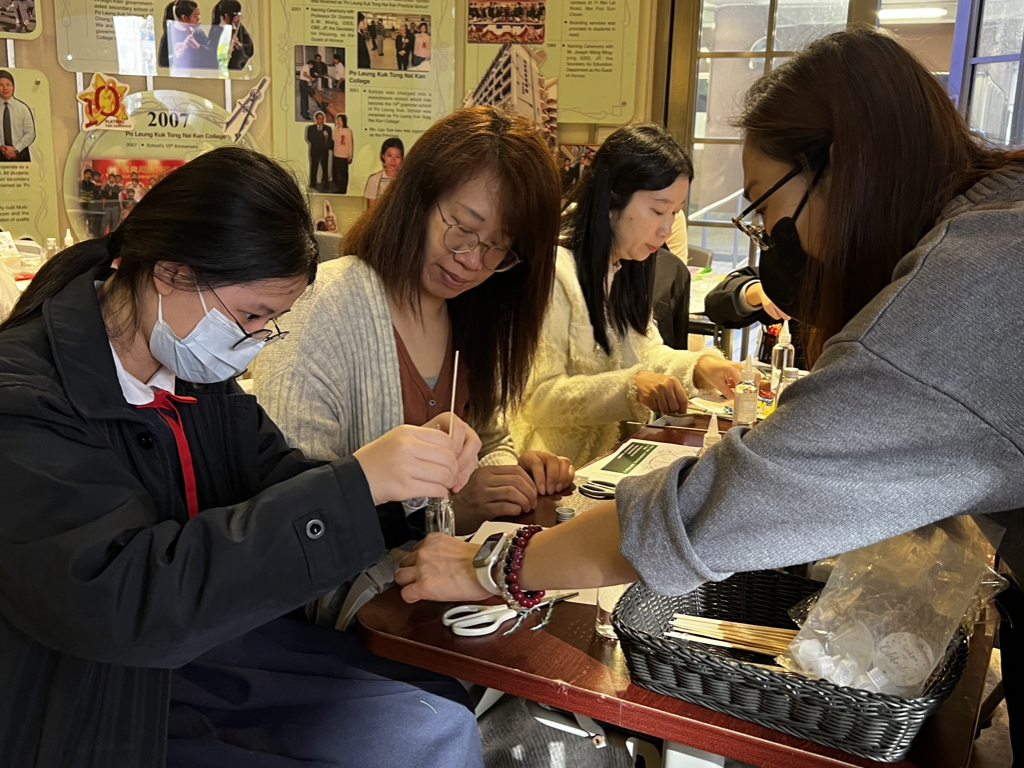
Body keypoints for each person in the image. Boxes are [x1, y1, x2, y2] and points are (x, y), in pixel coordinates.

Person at [397, 27, 1024, 754]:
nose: (766, 238)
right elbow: (538, 403)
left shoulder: (969, 281)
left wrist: (501, 566)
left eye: (764, 206)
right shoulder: (991, 231)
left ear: (841, 167)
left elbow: (738, 496)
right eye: (658, 210)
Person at [0, 146, 486, 767]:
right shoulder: (24, 399)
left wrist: (403, 484)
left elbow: (273, 482)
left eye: (270, 322)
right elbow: (125, 598)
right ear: (170, 272)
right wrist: (356, 485)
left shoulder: (195, 382)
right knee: (422, 736)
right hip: (95, 697)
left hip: (206, 655)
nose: (253, 342)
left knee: (439, 700)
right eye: (252, 315)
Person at [253, 106, 573, 626]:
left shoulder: (472, 316)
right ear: (417, 197)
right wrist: (448, 512)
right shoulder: (323, 307)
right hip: (354, 623)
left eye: (500, 249)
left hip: (448, 602)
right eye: (462, 228)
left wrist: (508, 478)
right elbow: (292, 517)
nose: (473, 260)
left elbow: (491, 437)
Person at [509, 124, 743, 468]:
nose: (666, 229)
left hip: (605, 464)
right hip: (549, 469)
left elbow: (647, 353)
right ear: (611, 201)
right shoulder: (554, 272)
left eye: (675, 212)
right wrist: (631, 387)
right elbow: (538, 398)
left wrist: (700, 367)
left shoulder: (627, 266)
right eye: (658, 210)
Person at [168, 0, 218, 74]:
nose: (198, 19)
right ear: (184, 17)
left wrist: (198, 47)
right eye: (195, 16)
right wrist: (175, 56)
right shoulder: (171, 33)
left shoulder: (198, 32)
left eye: (198, 15)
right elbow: (163, 62)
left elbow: (211, 53)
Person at [0, 70, 34, 162]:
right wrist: (2, 148)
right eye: (1, 85)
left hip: (20, 154)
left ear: (13, 87)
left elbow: (30, 133)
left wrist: (15, 149)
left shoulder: (23, 108)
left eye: (8, 84)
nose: (5, 88)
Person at [210, 0, 253, 70]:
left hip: (236, 69)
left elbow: (249, 47)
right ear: (226, 15)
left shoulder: (239, 28)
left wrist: (239, 45)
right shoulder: (217, 30)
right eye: (237, 14)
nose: (239, 16)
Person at [363, 136, 403, 207]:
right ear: (383, 156)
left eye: (397, 157)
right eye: (389, 155)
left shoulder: (406, 180)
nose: (393, 160)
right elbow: (371, 209)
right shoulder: (374, 180)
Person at [306, 111, 332, 191]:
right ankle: (313, 183)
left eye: (322, 118)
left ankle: (325, 183)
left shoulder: (328, 128)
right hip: (315, 151)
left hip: (324, 151)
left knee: (325, 167)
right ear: (316, 119)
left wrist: (325, 146)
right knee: (314, 167)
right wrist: (319, 144)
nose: (321, 120)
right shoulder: (311, 128)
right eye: (319, 119)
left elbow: (329, 140)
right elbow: (310, 138)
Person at [332, 113, 354, 194]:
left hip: (344, 156)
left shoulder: (348, 131)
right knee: (336, 173)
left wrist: (350, 156)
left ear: (344, 121)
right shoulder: (335, 130)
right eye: (337, 120)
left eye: (340, 120)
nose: (338, 122)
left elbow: (350, 144)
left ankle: (343, 189)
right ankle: (337, 188)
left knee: (343, 174)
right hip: (336, 154)